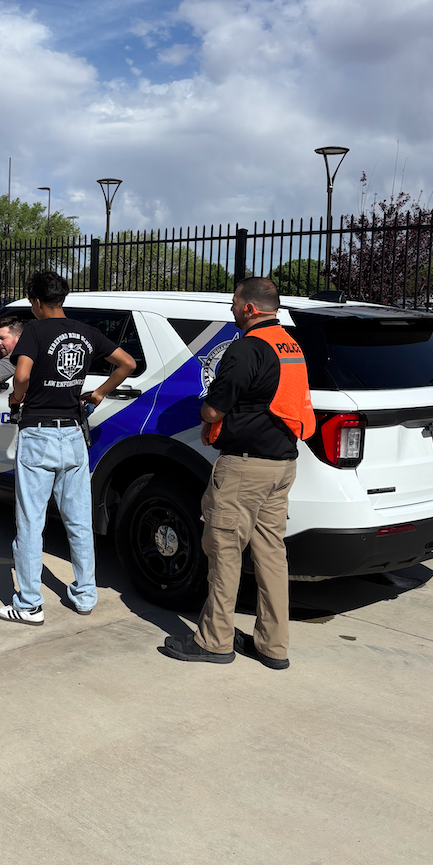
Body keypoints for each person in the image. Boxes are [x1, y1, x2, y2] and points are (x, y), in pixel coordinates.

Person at [161, 277, 315, 669]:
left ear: (249, 308)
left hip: (245, 467)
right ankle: (272, 646)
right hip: (282, 465)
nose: (230, 309)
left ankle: (214, 641)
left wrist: (202, 411)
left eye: (233, 303)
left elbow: (213, 410)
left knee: (224, 551)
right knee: (270, 555)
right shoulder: (290, 344)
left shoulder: (246, 349)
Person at [0, 270, 136, 624]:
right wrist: (100, 392)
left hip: (39, 431)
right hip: (73, 432)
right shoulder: (86, 333)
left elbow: (22, 374)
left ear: (37, 302)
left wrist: (16, 397)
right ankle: (85, 594)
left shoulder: (34, 332)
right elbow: (128, 363)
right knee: (78, 521)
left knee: (30, 522)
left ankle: (28, 604)